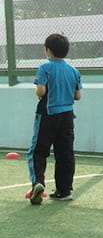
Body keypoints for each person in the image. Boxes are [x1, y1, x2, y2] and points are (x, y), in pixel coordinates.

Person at [26, 33, 83, 205]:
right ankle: (64, 191)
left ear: (48, 50)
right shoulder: (74, 71)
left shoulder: (45, 68)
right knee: (65, 153)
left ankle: (38, 183)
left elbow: (41, 92)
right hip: (67, 117)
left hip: (48, 114)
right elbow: (78, 96)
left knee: (38, 151)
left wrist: (37, 91)